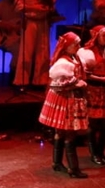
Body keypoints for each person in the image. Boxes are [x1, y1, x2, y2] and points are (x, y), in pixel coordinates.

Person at [39, 31, 90, 178]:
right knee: (69, 133)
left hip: (70, 99)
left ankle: (57, 163)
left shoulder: (74, 59)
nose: (79, 47)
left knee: (61, 132)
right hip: (65, 100)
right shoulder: (63, 63)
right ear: (67, 47)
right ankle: (73, 169)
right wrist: (77, 83)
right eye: (76, 45)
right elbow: (58, 84)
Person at [76, 25, 105, 165]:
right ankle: (94, 152)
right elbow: (85, 73)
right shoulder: (87, 52)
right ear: (96, 36)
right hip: (94, 90)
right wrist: (101, 79)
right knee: (93, 123)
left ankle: (100, 151)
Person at [13, 0, 57, 87]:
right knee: (26, 53)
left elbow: (53, 1)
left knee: (43, 53)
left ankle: (40, 81)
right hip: (30, 21)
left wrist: (48, 8)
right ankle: (22, 81)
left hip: (43, 21)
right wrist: (34, 7)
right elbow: (17, 4)